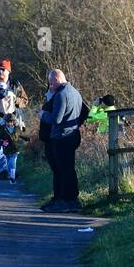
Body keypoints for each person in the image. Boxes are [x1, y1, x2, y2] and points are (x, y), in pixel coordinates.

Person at [39, 69, 85, 213]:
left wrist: (43, 115)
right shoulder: (75, 92)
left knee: (63, 170)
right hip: (72, 135)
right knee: (68, 169)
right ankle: (66, 199)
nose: (50, 85)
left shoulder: (61, 95)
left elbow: (56, 119)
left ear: (57, 79)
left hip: (61, 137)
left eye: (51, 82)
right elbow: (85, 111)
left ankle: (65, 200)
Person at [0, 112, 25, 183]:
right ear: (5, 122)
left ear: (14, 122)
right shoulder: (2, 129)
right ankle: (8, 173)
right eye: (8, 122)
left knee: (12, 161)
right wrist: (2, 142)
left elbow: (20, 135)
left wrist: (26, 138)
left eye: (11, 122)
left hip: (15, 149)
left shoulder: (17, 128)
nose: (10, 123)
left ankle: (12, 177)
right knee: (8, 163)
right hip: (7, 149)